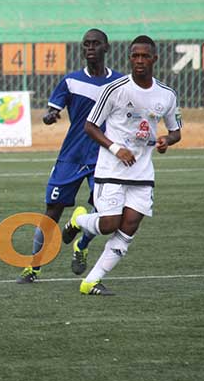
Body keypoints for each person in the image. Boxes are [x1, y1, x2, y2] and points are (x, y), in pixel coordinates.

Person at [62, 35, 181, 296]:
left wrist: (166, 140)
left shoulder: (167, 95)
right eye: (135, 56)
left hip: (142, 172)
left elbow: (176, 131)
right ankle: (78, 220)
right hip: (112, 169)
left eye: (145, 56)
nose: (139, 61)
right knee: (109, 224)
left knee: (128, 228)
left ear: (154, 59)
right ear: (130, 58)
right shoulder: (114, 90)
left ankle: (91, 281)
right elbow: (90, 126)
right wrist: (116, 148)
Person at [16, 29, 124, 284]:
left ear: (106, 48)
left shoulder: (120, 83)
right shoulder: (71, 81)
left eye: (95, 43)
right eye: (86, 44)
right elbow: (53, 109)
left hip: (103, 157)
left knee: (104, 210)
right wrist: (50, 116)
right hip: (72, 155)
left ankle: (81, 243)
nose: (90, 48)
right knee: (52, 210)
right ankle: (33, 267)